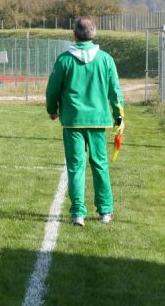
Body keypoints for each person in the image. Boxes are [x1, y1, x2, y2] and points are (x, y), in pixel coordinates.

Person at [46, 17, 125, 227]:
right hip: (99, 121)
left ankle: (78, 213)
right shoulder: (106, 59)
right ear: (94, 34)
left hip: (73, 121)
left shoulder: (64, 60)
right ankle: (105, 212)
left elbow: (52, 89)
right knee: (100, 165)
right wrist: (119, 116)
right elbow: (115, 92)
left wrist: (51, 109)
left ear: (74, 34)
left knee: (76, 167)